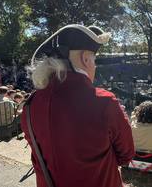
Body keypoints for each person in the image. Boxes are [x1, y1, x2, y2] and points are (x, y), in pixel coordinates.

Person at [21, 24, 134, 187]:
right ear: (85, 58)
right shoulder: (104, 102)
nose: (95, 66)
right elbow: (126, 155)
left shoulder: (30, 105)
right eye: (94, 61)